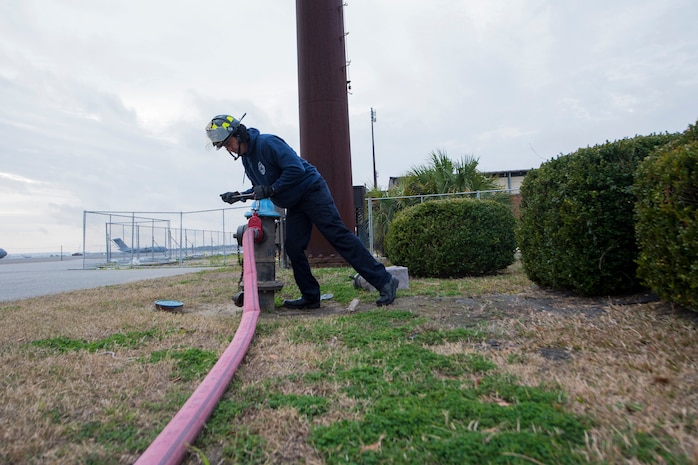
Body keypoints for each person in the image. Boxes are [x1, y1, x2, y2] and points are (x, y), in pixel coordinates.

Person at [205, 114, 399, 309]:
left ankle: (385, 280)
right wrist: (239, 195)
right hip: (294, 201)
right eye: (224, 147)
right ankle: (310, 296)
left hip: (311, 190)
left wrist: (272, 189)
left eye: (228, 143)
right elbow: (260, 187)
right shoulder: (247, 160)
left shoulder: (267, 143)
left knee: (338, 236)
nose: (228, 149)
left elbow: (296, 169)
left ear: (239, 135)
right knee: (293, 246)